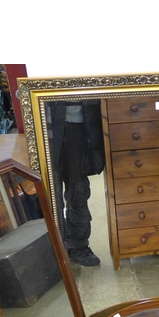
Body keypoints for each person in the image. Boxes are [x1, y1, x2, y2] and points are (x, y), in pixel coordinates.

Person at [48, 100, 105, 266]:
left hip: (80, 127)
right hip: (45, 126)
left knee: (78, 191)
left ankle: (78, 247)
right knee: (51, 195)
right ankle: (52, 249)